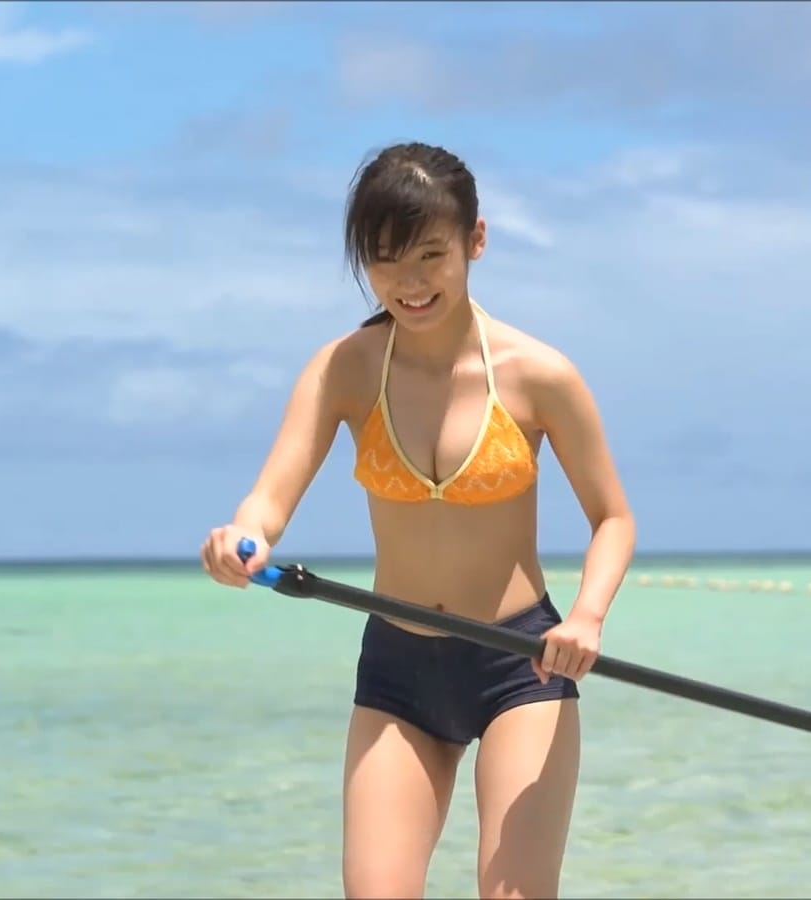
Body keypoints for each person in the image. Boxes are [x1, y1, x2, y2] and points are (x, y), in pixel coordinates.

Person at [199, 141, 637, 899]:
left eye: (431, 255)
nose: (410, 283)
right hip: (397, 669)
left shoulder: (539, 374)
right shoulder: (345, 368)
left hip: (521, 664)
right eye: (386, 260)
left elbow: (613, 518)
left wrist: (588, 618)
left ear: (476, 240)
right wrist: (242, 541)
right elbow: (267, 502)